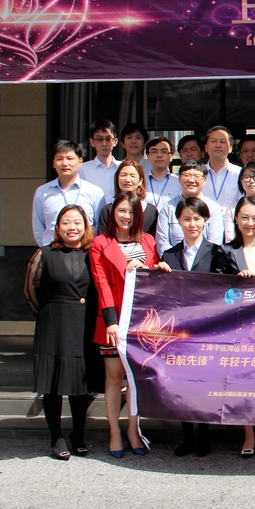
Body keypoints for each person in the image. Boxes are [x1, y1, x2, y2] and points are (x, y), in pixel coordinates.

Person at [89, 190, 159, 457]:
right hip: (113, 321)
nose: (126, 216)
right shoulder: (101, 243)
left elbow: (154, 282)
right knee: (114, 377)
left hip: (141, 323)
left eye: (131, 211)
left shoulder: (148, 242)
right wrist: (111, 321)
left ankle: (132, 430)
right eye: (121, 210)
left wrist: (149, 268)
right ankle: (114, 432)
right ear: (112, 213)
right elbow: (102, 284)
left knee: (134, 379)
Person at [24, 205, 96, 460]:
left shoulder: (92, 254)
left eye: (77, 222)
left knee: (79, 385)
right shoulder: (44, 254)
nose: (72, 227)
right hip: (52, 326)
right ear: (57, 228)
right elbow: (30, 291)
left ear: (85, 227)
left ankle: (78, 435)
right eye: (66, 222)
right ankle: (56, 437)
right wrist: (47, 314)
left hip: (82, 326)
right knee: (52, 385)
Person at [157, 197, 221, 457]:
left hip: (207, 329)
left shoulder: (217, 252)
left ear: (205, 221)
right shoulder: (169, 255)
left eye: (197, 218)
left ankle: (204, 435)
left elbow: (229, 289)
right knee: (182, 384)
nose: (192, 224)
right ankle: (186, 436)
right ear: (178, 222)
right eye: (186, 219)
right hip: (180, 331)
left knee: (204, 383)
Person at [213, 196, 255, 457]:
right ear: (236, 220)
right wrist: (236, 284)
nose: (250, 223)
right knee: (242, 382)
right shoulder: (225, 251)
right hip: (238, 327)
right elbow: (217, 292)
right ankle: (248, 434)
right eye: (245, 217)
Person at [32, 140, 106, 246]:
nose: (65, 163)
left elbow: (100, 226)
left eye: (70, 158)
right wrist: (46, 250)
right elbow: (39, 228)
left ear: (80, 162)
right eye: (59, 159)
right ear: (53, 163)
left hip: (86, 251)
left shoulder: (94, 192)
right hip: (53, 250)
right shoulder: (43, 192)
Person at [154, 160, 225, 256]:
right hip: (173, 262)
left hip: (205, 261)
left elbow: (215, 242)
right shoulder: (168, 208)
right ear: (179, 178)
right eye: (186, 175)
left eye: (196, 176)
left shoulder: (213, 208)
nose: (191, 180)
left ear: (204, 180)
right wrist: (174, 260)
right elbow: (162, 243)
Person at [96, 160, 158, 236]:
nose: (128, 180)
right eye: (123, 175)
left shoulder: (151, 211)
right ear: (117, 179)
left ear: (140, 181)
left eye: (132, 176)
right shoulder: (107, 210)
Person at [80, 119, 120, 204]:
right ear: (92, 142)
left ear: (115, 141)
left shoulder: (124, 168)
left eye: (108, 139)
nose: (104, 143)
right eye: (99, 139)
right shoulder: (82, 169)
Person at [204, 125, 241, 211]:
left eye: (223, 142)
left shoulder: (240, 173)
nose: (218, 145)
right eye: (213, 141)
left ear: (230, 148)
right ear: (206, 147)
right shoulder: (198, 174)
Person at [144, 137, 181, 209]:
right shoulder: (141, 182)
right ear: (148, 156)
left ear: (171, 156)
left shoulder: (179, 182)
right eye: (154, 151)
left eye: (164, 151)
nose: (159, 155)